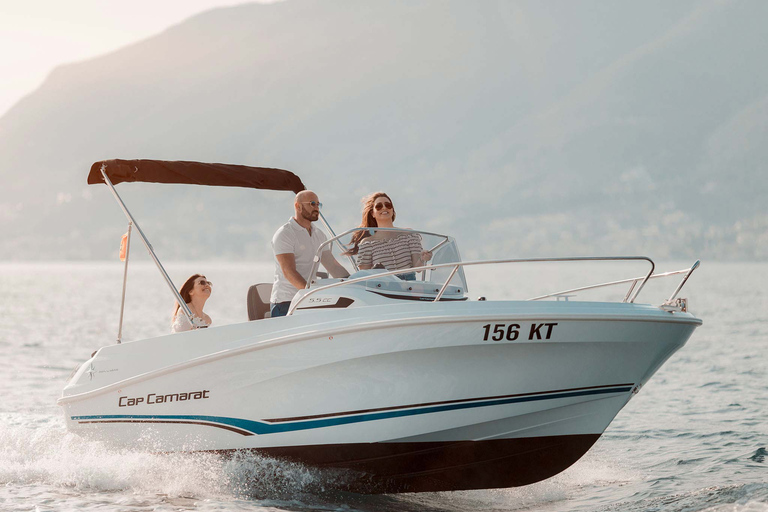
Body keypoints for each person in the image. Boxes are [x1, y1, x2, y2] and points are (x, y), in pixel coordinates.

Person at [270, 190, 349, 317]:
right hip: (286, 302)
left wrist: (352, 283)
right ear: (298, 206)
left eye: (318, 204)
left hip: (309, 300)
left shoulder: (319, 234)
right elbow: (288, 272)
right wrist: (311, 295)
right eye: (312, 204)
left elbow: (333, 266)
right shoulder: (285, 234)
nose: (316, 208)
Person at [346, 192, 432, 280]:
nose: (384, 208)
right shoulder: (367, 243)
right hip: (384, 288)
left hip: (409, 287)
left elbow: (417, 268)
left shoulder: (409, 234)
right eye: (379, 206)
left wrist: (423, 258)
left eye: (388, 205)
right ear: (373, 213)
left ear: (392, 210)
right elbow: (364, 276)